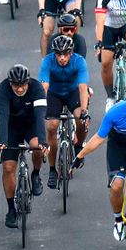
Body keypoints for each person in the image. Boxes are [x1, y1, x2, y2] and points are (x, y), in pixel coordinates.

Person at [72, 82, 126, 240]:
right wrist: (80, 156)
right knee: (117, 185)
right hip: (118, 148)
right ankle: (118, 219)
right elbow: (99, 138)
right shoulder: (115, 113)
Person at [0, 64, 48, 228]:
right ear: (10, 83)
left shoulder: (37, 88)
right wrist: (3, 141)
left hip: (31, 125)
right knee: (9, 168)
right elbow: (2, 116)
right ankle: (11, 209)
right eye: (16, 86)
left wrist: (43, 141)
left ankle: (36, 174)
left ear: (28, 82)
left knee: (37, 147)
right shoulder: (3, 89)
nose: (19, 89)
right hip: (12, 127)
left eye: (23, 85)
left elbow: (40, 117)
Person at [39, 35, 89, 189]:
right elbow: (44, 87)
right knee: (52, 126)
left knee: (81, 119)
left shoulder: (79, 61)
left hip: (73, 92)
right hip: (54, 94)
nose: (61, 58)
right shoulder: (47, 61)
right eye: (58, 54)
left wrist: (84, 110)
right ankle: (53, 169)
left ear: (71, 52)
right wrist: (41, 108)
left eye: (65, 54)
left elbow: (82, 88)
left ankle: (78, 145)